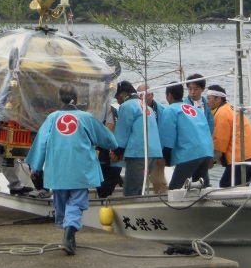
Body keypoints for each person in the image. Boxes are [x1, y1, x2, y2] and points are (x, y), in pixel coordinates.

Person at [26, 83, 117, 255]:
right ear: (77, 98)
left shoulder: (52, 118)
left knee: (61, 205)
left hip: (58, 169)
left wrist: (36, 167)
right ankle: (69, 234)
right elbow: (108, 140)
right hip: (80, 169)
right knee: (76, 202)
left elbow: (41, 144)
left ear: (59, 98)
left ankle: (68, 234)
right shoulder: (86, 117)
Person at [206, 84, 251, 187]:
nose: (207, 102)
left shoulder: (222, 113)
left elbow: (219, 140)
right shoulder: (230, 108)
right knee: (241, 185)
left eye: (209, 99)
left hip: (242, 155)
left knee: (226, 185)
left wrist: (212, 160)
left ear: (218, 99)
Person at [160, 82, 214, 190]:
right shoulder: (197, 110)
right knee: (201, 187)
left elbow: (168, 138)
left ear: (169, 95)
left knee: (175, 188)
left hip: (189, 153)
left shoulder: (170, 110)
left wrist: (165, 159)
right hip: (206, 151)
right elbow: (208, 129)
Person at [113, 81, 162, 197]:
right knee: (140, 188)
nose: (117, 101)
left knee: (131, 192)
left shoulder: (126, 106)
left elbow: (122, 133)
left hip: (138, 153)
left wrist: (116, 152)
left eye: (117, 97)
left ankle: (131, 215)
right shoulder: (145, 106)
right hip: (153, 153)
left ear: (124, 94)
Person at [137, 83, 167, 193]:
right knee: (139, 180)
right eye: (141, 95)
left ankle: (162, 201)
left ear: (152, 95)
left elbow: (165, 134)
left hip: (157, 151)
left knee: (158, 180)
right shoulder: (135, 109)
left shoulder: (162, 111)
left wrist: (162, 153)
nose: (144, 97)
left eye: (147, 94)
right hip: (139, 151)